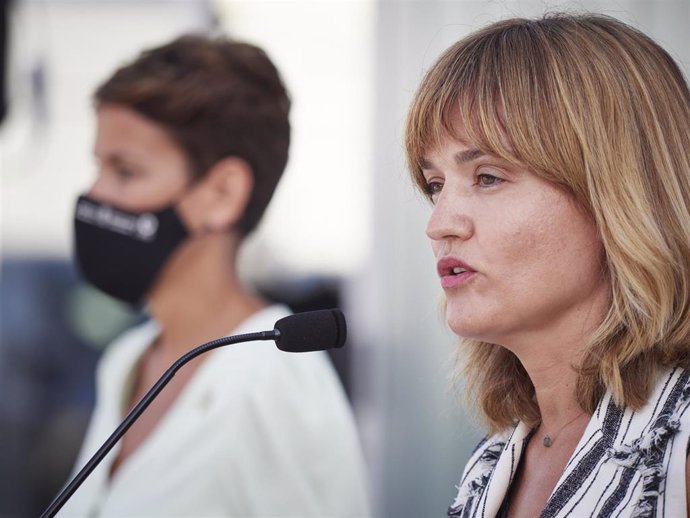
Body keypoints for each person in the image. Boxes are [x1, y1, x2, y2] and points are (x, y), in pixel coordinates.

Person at [59, 34, 370, 517]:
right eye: (97, 167)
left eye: (125, 171)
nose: (96, 194)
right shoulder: (126, 360)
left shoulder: (278, 381)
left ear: (222, 193)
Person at [404, 13, 690, 518]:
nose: (440, 223)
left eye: (488, 177)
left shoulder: (680, 451)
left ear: (617, 194)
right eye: (435, 185)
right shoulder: (492, 462)